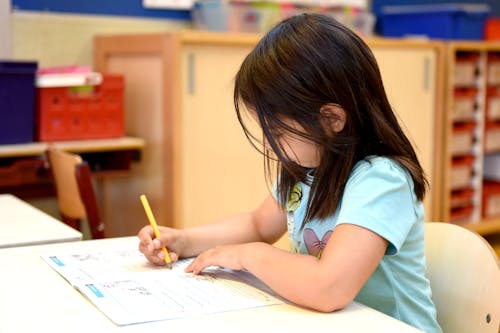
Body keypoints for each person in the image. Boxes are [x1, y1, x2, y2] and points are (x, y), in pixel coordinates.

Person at [138, 13, 442, 333]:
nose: (270, 147)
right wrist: (184, 240)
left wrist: (249, 256)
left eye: (279, 134)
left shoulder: (381, 180)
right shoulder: (306, 171)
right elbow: (257, 225)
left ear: (332, 119)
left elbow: (329, 287)